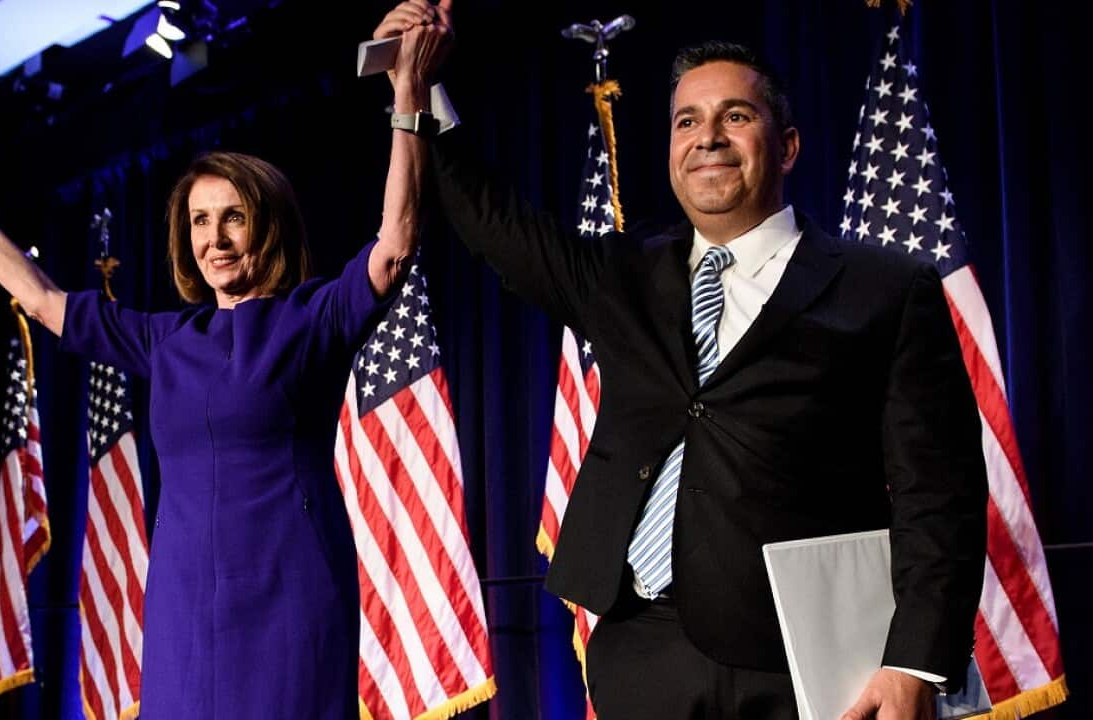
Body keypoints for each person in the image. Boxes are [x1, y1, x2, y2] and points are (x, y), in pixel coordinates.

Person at [375, 7, 987, 718]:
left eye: (735, 117)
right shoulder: (627, 273)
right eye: (687, 122)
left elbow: (938, 495)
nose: (709, 140)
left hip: (799, 658)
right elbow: (497, 224)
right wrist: (419, 88)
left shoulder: (883, 288)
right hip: (641, 648)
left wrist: (912, 660)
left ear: (786, 145)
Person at [0, 8, 452, 717]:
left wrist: (407, 98)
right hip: (185, 605)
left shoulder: (313, 319)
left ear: (268, 226)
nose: (214, 238)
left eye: (232, 217)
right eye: (198, 220)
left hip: (293, 592)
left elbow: (396, 242)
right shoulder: (167, 340)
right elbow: (41, 297)